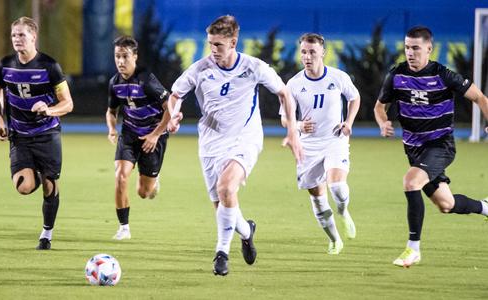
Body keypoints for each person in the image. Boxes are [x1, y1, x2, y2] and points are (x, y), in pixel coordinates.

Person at [167, 15, 302, 276]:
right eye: (210, 44)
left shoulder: (253, 67)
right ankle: (247, 231)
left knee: (227, 187)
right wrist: (173, 114)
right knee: (223, 206)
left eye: (218, 45)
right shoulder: (200, 69)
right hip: (210, 143)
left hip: (245, 138)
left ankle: (221, 254)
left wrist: (292, 130)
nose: (213, 50)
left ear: (233, 42)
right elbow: (175, 95)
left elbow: (284, 93)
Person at [374, 26, 488, 267]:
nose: (410, 52)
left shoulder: (444, 75)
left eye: (415, 48)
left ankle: (413, 249)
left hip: (440, 145)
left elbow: (480, 98)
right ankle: (485, 207)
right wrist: (383, 123)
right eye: (407, 47)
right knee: (446, 204)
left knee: (411, 182)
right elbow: (379, 106)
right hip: (414, 149)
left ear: (429, 49)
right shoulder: (396, 75)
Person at [0, 16, 74, 250]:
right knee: (24, 187)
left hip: (47, 135)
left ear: (33, 37)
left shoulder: (49, 66)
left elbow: (68, 104)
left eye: (22, 35)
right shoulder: (5, 64)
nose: (17, 39)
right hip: (20, 136)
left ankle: (46, 234)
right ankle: (40, 171)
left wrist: (49, 109)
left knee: (50, 186)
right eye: (14, 35)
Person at [281, 33, 360, 255]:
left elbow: (355, 98)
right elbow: (284, 117)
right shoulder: (294, 84)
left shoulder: (338, 77)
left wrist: (348, 122)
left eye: (312, 52)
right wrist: (297, 125)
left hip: (335, 140)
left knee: (337, 187)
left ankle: (344, 212)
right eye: (304, 52)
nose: (307, 56)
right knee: (318, 198)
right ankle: (335, 239)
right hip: (308, 147)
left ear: (323, 53)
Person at [106, 36, 171, 240]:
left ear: (135, 56)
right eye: (117, 56)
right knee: (120, 176)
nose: (121, 61)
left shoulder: (146, 80)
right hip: (130, 134)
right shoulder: (114, 83)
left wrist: (155, 135)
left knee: (144, 192)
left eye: (125, 56)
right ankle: (124, 228)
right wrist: (112, 129)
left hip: (153, 136)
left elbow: (170, 107)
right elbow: (111, 111)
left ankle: (154, 179)